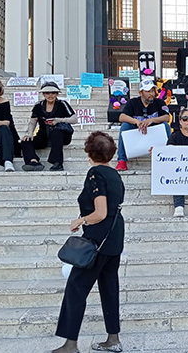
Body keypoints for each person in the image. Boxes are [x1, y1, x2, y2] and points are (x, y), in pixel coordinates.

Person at [52, 131, 124, 353]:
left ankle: (70, 344)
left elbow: (100, 212)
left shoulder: (95, 174)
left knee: (76, 287)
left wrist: (80, 220)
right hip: (114, 238)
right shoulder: (115, 174)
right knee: (109, 286)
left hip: (97, 237)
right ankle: (113, 339)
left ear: (90, 153)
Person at [115, 79, 171, 171]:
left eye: (153, 91)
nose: (151, 94)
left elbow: (167, 117)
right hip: (138, 131)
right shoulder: (133, 102)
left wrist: (152, 120)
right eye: (148, 91)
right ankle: (122, 160)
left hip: (153, 130)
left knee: (165, 125)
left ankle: (170, 156)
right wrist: (136, 121)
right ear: (141, 92)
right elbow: (121, 117)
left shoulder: (159, 102)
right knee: (125, 126)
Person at [21, 82, 77, 172]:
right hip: (43, 135)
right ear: (43, 94)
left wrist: (58, 120)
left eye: (53, 93)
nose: (50, 95)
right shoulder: (38, 105)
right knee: (25, 141)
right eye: (47, 93)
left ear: (57, 94)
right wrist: (30, 134)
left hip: (61, 135)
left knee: (56, 133)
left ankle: (57, 162)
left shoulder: (62, 104)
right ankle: (33, 161)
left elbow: (74, 119)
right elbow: (33, 121)